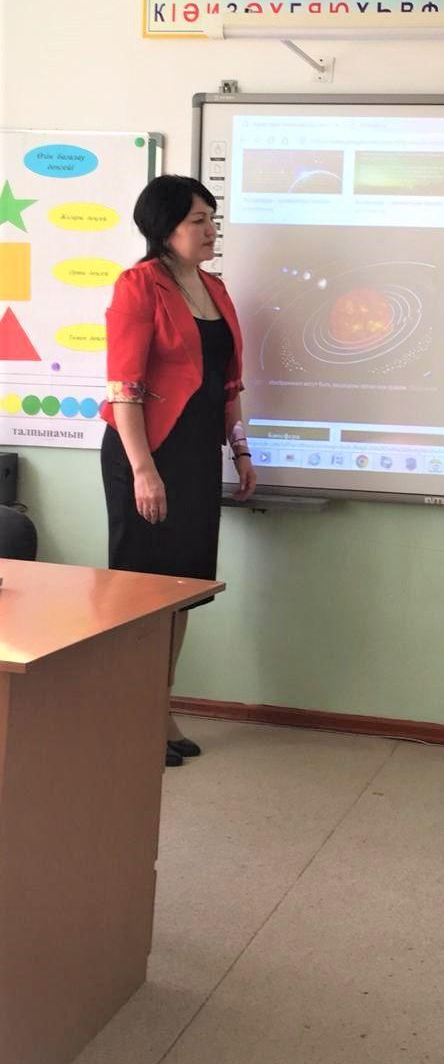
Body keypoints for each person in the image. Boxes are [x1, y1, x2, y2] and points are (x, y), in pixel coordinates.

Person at [100, 175, 256, 766]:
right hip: (146, 454)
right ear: (165, 227)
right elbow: (125, 389)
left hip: (194, 459)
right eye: (199, 220)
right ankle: (132, 714)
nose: (211, 229)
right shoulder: (139, 285)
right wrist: (143, 471)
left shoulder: (215, 288)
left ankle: (157, 707)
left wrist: (240, 450)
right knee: (142, 590)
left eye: (213, 218)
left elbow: (228, 384)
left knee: (182, 589)